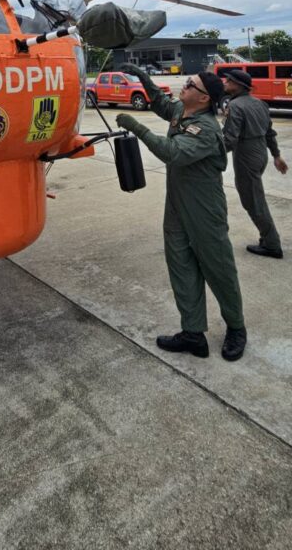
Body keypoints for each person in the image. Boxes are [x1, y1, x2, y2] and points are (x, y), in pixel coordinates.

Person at [117, 65, 247, 362]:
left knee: (218, 268)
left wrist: (137, 127)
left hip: (204, 206)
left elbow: (172, 152)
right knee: (181, 266)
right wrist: (143, 79)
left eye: (190, 84)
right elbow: (162, 103)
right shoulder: (182, 110)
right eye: (187, 81)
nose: (184, 86)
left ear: (203, 98)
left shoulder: (206, 129)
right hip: (176, 202)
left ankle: (236, 327)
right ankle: (193, 333)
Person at [222, 68, 288, 259]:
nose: (225, 83)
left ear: (238, 85)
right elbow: (269, 133)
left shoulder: (235, 106)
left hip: (246, 154)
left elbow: (230, 140)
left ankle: (272, 244)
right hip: (260, 153)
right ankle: (267, 238)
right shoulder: (260, 103)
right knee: (255, 197)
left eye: (229, 80)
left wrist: (208, 155)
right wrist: (276, 155)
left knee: (253, 201)